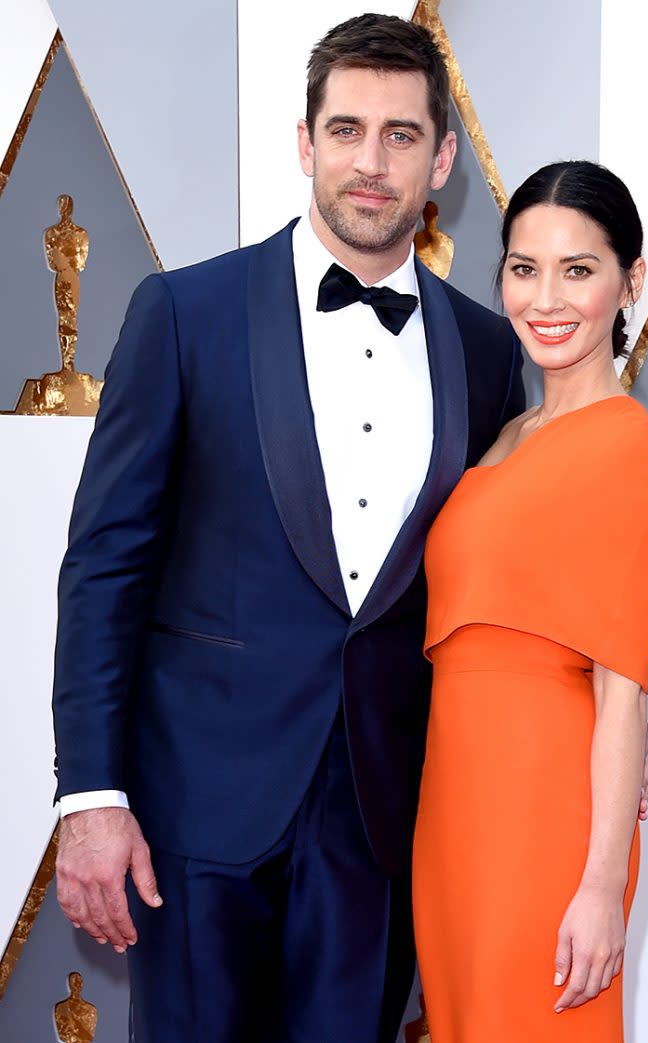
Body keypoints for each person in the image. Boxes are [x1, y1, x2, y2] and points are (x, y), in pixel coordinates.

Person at [51, 14, 527, 1043]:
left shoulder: (488, 355)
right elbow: (105, 565)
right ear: (304, 143)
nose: (371, 160)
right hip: (197, 809)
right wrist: (89, 790)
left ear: (441, 157)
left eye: (402, 135)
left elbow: (493, 587)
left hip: (384, 815)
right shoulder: (185, 312)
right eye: (346, 128)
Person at [413, 160, 648, 1041]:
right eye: (524, 268)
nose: (546, 297)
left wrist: (602, 888)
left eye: (579, 268)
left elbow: (621, 691)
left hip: (543, 832)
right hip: (453, 822)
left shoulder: (628, 452)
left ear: (629, 280)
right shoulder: (503, 433)